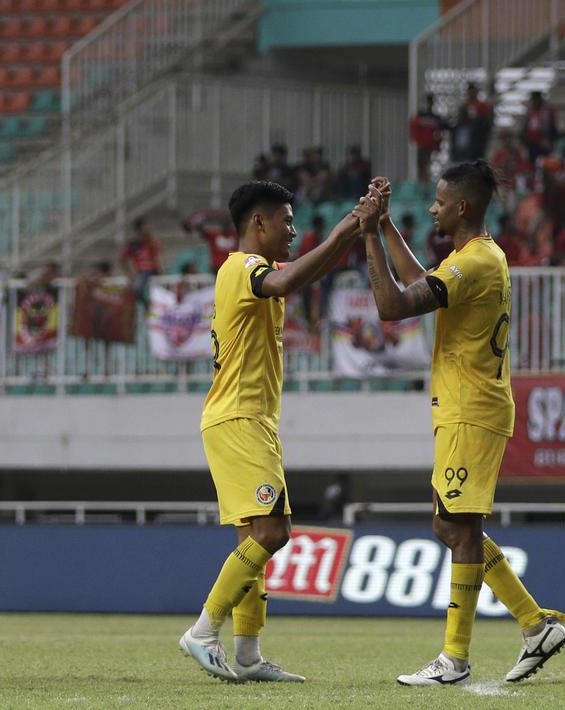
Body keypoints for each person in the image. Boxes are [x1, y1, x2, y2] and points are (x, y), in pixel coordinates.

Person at [361, 163, 565, 686]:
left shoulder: (474, 262)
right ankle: (534, 625)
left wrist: (366, 236)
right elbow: (419, 284)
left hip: (472, 408)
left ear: (463, 208)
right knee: (451, 524)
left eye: (438, 201)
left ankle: (455, 658)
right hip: (466, 405)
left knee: (458, 528)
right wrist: (386, 227)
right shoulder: (473, 258)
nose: (430, 207)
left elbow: (392, 306)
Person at [180, 180, 382, 684]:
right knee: (273, 532)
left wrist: (351, 237)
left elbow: (301, 276)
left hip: (245, 420)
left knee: (254, 539)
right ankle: (203, 631)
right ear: (258, 222)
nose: (293, 230)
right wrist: (346, 229)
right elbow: (289, 280)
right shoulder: (247, 268)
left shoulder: (247, 271)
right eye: (287, 221)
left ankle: (247, 655)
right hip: (240, 419)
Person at [121, 216, 162, 306]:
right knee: (135, 289)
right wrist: (129, 275)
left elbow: (157, 253)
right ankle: (147, 305)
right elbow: (122, 259)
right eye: (145, 226)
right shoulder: (132, 244)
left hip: (154, 270)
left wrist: (149, 239)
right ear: (140, 228)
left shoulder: (151, 241)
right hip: (142, 272)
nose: (148, 228)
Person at [183, 209, 237, 274]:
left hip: (231, 268)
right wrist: (196, 220)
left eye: (227, 223)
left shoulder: (235, 235)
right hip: (217, 269)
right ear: (221, 224)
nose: (226, 225)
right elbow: (202, 231)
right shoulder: (214, 235)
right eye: (224, 222)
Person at [410, 93, 445, 180]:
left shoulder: (434, 117)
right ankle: (422, 181)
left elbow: (439, 132)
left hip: (430, 146)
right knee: (422, 166)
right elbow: (414, 129)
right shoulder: (421, 116)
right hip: (422, 146)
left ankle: (427, 181)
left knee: (427, 165)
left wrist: (437, 145)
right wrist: (416, 141)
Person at [521, 92, 557, 163]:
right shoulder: (529, 112)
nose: (535, 101)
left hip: (543, 142)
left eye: (537, 99)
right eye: (533, 99)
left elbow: (552, 128)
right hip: (531, 143)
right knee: (532, 162)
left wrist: (549, 140)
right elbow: (525, 128)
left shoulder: (547, 112)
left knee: (544, 162)